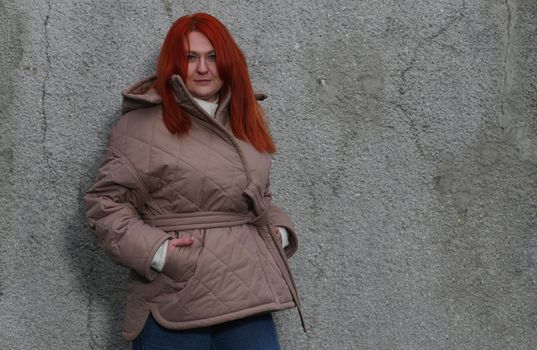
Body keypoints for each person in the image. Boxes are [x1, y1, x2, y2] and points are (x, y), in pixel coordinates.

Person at [84, 12, 303, 350]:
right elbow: (105, 207)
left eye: (213, 56)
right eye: (191, 57)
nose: (203, 67)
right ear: (174, 62)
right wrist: (160, 253)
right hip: (175, 298)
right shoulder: (141, 125)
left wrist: (281, 232)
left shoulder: (245, 117)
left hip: (249, 296)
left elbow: (260, 196)